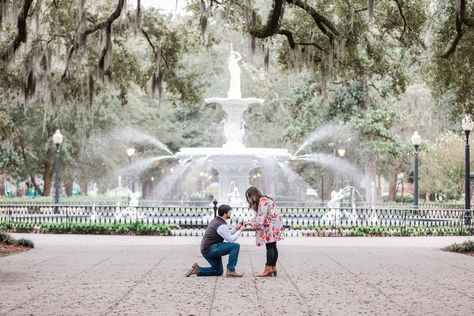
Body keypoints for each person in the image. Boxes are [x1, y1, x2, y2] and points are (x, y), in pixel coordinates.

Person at [185, 204, 246, 277]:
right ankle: (231, 270)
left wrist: (236, 228)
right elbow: (231, 240)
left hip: (206, 250)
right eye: (229, 212)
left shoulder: (217, 221)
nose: (231, 214)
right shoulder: (221, 225)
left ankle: (198, 270)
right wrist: (240, 230)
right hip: (211, 249)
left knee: (218, 271)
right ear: (225, 213)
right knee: (235, 246)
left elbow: (226, 234)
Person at [245, 186, 284, 277]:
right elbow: (260, 216)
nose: (248, 199)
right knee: (273, 246)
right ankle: (273, 267)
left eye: (248, 196)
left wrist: (251, 224)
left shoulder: (263, 201)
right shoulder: (264, 199)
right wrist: (250, 222)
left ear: (253, 195)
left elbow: (261, 217)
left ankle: (268, 269)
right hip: (274, 224)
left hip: (270, 225)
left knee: (269, 246)